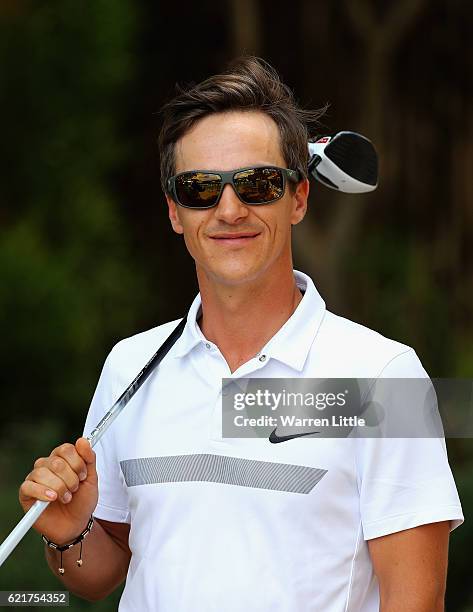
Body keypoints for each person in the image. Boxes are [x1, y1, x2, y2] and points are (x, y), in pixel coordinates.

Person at [19, 57, 463, 611]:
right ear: (175, 212)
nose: (230, 209)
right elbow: (103, 574)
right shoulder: (128, 367)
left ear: (298, 198)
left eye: (258, 184)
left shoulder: (382, 377)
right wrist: (70, 532)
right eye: (201, 188)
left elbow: (415, 602)